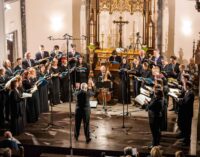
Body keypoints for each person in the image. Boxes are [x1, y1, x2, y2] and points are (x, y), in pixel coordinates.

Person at [176, 81, 194, 146]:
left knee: (187, 127)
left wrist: (179, 101)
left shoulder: (191, 93)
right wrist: (180, 99)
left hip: (187, 114)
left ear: (188, 86)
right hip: (185, 112)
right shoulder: (188, 92)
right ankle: (184, 138)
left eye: (185, 86)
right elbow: (184, 99)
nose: (184, 87)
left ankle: (187, 141)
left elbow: (186, 103)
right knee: (184, 126)